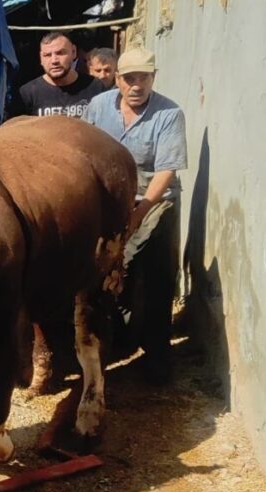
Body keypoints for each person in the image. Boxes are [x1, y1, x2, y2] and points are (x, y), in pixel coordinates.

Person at [84, 47, 188, 382]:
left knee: (154, 278)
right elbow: (83, 151)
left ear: (153, 78)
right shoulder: (99, 107)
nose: (136, 85)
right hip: (110, 199)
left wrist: (140, 211)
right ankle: (111, 347)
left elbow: (166, 170)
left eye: (144, 77)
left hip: (154, 200)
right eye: (130, 78)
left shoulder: (169, 114)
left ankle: (157, 357)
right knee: (104, 276)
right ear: (117, 79)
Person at [12, 31, 106, 118]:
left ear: (73, 52)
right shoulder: (27, 94)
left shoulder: (95, 87)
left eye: (60, 53)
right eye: (47, 55)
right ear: (41, 58)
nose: (54, 61)